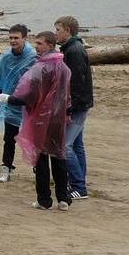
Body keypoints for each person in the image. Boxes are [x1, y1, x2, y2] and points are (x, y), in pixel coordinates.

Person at [0, 31, 72, 211]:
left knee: (42, 157)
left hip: (41, 118)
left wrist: (10, 99)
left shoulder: (41, 68)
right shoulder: (64, 67)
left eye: (40, 43)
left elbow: (30, 95)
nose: (36, 46)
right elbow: (67, 95)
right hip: (58, 118)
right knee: (59, 154)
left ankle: (44, 199)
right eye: (36, 43)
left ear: (50, 45)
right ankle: (63, 198)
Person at [0, 24, 37, 182]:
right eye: (11, 38)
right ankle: (6, 167)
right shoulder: (5, 59)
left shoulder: (33, 57)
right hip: (10, 103)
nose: (13, 41)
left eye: (16, 38)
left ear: (24, 39)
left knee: (34, 138)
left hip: (29, 104)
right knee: (9, 138)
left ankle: (37, 167)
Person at [56, 16, 94, 200]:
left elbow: (77, 81)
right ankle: (79, 181)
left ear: (68, 30)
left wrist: (70, 107)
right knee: (77, 144)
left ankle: (79, 186)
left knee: (66, 145)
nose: (56, 33)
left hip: (78, 105)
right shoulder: (70, 48)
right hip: (81, 103)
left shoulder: (74, 50)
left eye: (58, 29)